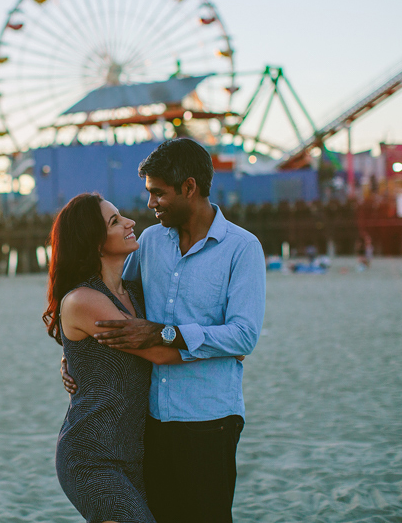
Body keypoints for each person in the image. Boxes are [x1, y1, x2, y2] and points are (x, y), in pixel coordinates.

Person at [63, 138, 266, 523]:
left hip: (210, 421)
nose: (150, 203)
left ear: (189, 187)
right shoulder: (150, 242)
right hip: (151, 424)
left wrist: (167, 333)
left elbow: (244, 335)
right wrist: (76, 356)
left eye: (158, 193)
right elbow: (119, 304)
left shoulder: (242, 248)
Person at [45, 193, 185, 523]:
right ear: (93, 242)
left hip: (132, 455)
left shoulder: (134, 292)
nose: (130, 222)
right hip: (91, 456)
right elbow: (159, 353)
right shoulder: (83, 300)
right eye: (114, 221)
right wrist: (224, 349)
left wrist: (70, 362)